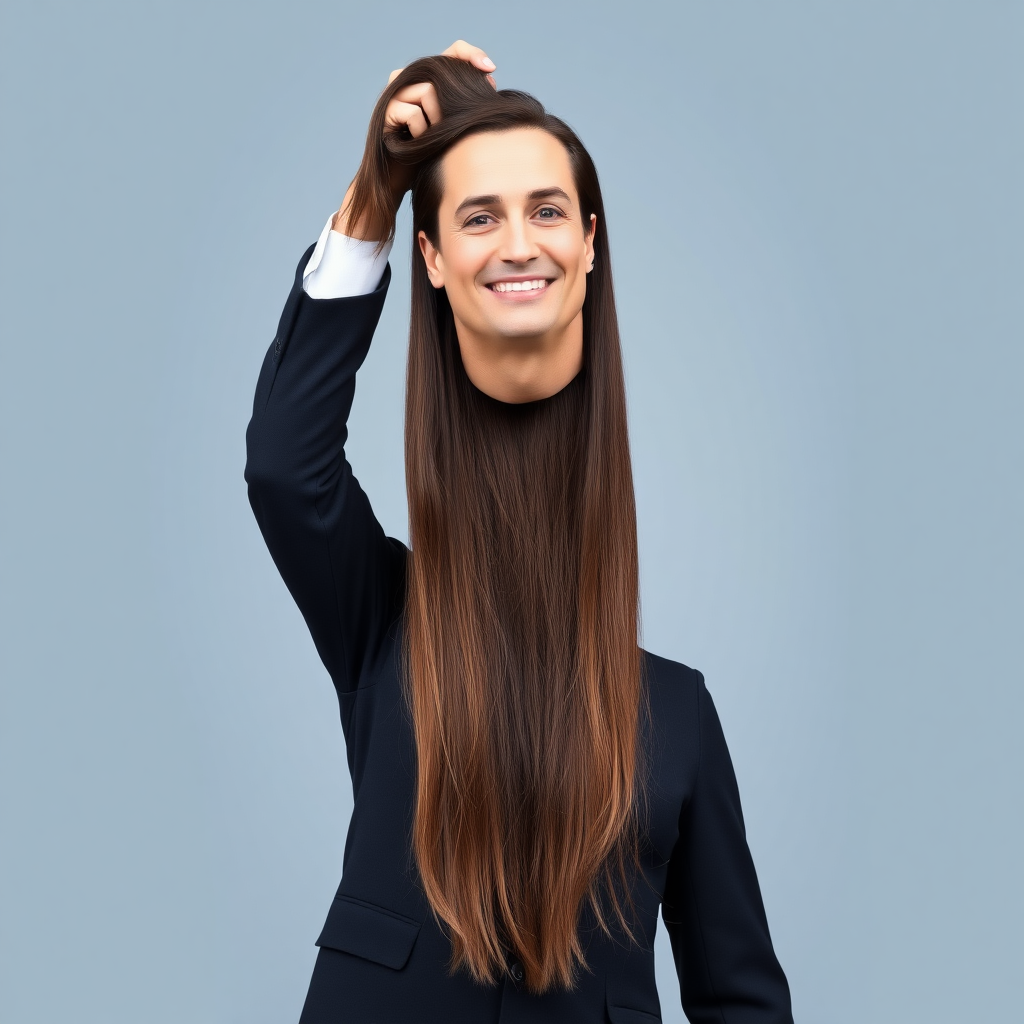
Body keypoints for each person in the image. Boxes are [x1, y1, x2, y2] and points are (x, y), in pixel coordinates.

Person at [245, 40, 793, 1024]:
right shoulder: (384, 628)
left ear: (589, 241)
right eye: (478, 215)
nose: (516, 242)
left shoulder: (678, 719)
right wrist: (375, 194)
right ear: (434, 259)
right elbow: (288, 466)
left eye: (545, 209)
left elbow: (739, 998)